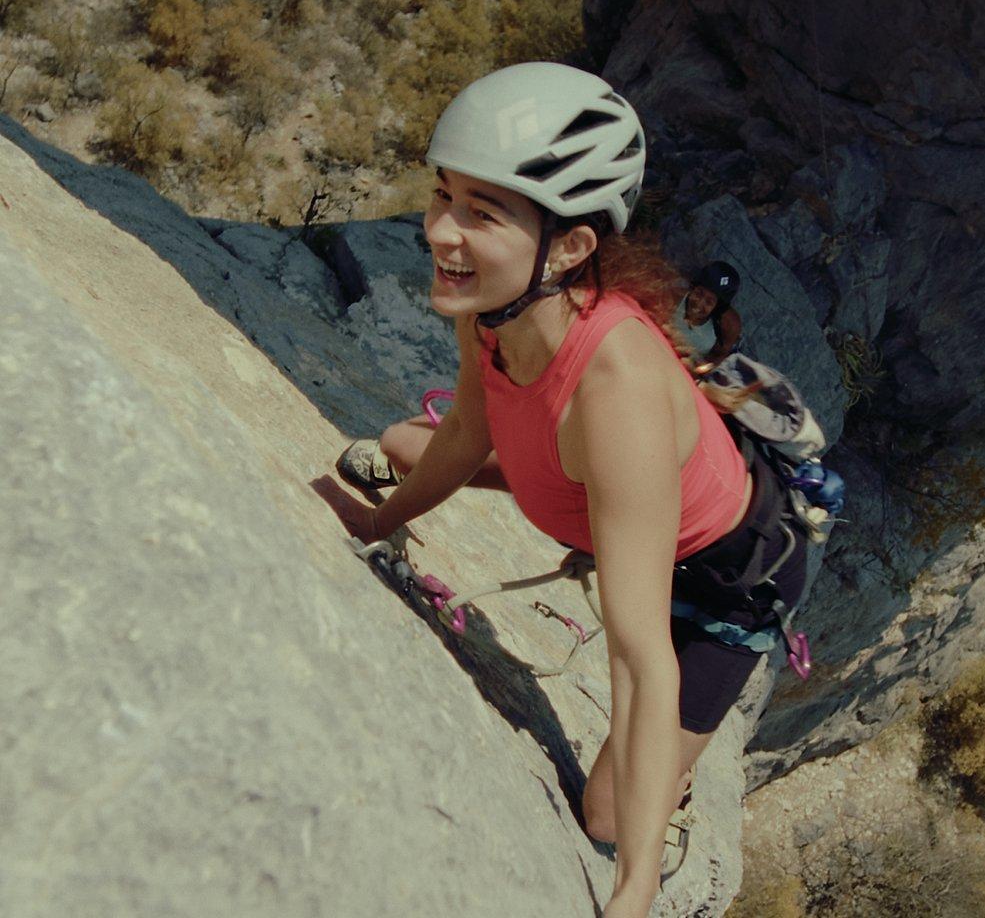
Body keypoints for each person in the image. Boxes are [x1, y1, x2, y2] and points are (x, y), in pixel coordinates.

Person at [328, 62, 806, 918]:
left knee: (608, 814)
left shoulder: (616, 389)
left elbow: (638, 655)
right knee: (405, 445)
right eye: (443, 196)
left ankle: (672, 795)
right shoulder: (496, 305)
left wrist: (634, 888)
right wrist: (379, 520)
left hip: (720, 582)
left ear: (572, 247)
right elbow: (468, 432)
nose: (440, 231)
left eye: (482, 214)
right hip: (585, 491)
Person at [673, 261, 742, 375]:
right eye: (699, 293)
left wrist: (696, 370)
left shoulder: (728, 325)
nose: (699, 303)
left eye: (709, 302)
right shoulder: (675, 295)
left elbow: (719, 355)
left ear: (717, 307)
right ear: (693, 288)